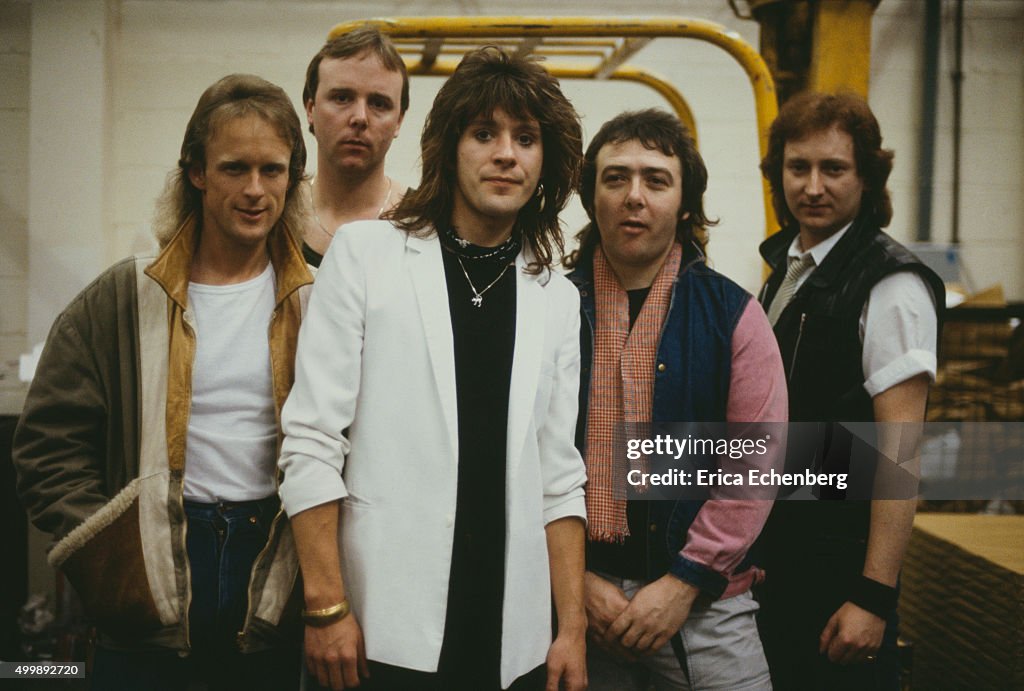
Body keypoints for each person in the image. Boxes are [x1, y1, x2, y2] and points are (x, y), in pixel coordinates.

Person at [278, 47, 588, 691]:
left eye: (526, 139)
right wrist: (326, 605)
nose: (506, 153)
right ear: (449, 147)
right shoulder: (366, 255)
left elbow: (558, 476)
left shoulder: (557, 296)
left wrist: (571, 631)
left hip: (509, 631)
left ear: (545, 163)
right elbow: (310, 443)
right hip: (380, 624)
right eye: (485, 134)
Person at [13, 74, 314, 689]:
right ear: (196, 172)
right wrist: (105, 554)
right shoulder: (124, 296)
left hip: (275, 576)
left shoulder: (321, 301)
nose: (255, 190)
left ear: (292, 176)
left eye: (273, 170)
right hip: (150, 577)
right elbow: (46, 443)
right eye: (234, 168)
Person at [564, 108, 787, 690]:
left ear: (686, 202)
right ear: (591, 196)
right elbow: (518, 456)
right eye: (615, 178)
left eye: (656, 180)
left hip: (708, 608)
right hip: (574, 604)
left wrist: (684, 581)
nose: (634, 196)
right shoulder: (548, 307)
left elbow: (754, 466)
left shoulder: (734, 314)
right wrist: (575, 579)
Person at [753, 91, 944, 690]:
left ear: (866, 177)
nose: (812, 186)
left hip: (838, 573)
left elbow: (899, 456)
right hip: (779, 563)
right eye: (797, 167)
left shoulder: (890, 285)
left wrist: (873, 596)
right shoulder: (785, 269)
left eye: (833, 168)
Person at [301, 26, 409, 266]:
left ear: (399, 121)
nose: (360, 117)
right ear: (311, 110)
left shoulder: (425, 221)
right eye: (342, 98)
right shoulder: (275, 210)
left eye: (379, 104)